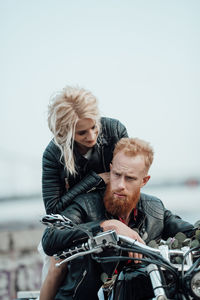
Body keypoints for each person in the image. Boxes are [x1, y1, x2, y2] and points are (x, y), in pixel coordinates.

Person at [42, 137, 194, 300]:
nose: (120, 184)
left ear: (144, 181)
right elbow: (50, 238)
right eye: (116, 174)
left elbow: (190, 232)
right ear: (110, 169)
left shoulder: (155, 208)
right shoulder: (86, 205)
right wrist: (106, 226)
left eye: (130, 178)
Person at [40, 85, 128, 300]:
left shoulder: (115, 131)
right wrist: (95, 179)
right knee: (57, 264)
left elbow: (129, 178)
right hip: (76, 223)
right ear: (65, 132)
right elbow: (53, 211)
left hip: (114, 214)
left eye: (94, 127)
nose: (92, 136)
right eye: (82, 132)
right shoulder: (53, 154)